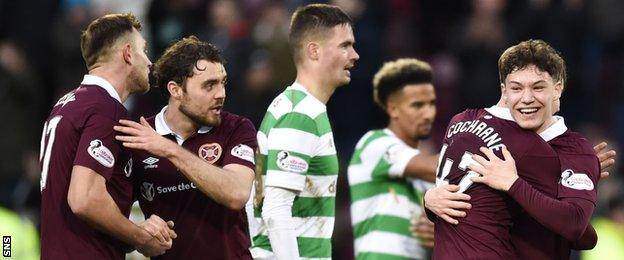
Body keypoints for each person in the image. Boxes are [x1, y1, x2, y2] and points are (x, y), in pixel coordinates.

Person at [424, 39, 606, 259]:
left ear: (557, 89)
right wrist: (430, 199)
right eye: (517, 88)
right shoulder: (495, 135)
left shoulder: (575, 151)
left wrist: (513, 183)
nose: (527, 99)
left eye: (538, 87)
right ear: (505, 91)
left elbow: (578, 229)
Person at [39, 13, 176, 260]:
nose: (149, 61)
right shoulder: (105, 108)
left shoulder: (65, 105)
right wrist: (140, 238)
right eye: (143, 50)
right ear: (127, 54)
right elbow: (85, 198)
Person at [113, 36, 258, 259]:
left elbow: (236, 193)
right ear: (176, 90)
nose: (221, 94)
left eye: (222, 83)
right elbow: (112, 219)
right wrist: (139, 235)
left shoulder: (236, 128)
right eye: (209, 85)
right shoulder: (140, 139)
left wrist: (169, 149)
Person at [248, 3, 359, 259]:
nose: (355, 55)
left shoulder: (294, 106)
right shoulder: (300, 115)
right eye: (345, 45)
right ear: (314, 51)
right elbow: (275, 210)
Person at [347, 58, 437, 259]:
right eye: (417, 105)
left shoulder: (426, 180)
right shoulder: (374, 144)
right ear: (393, 108)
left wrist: (442, 235)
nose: (428, 113)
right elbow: (439, 168)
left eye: (431, 104)